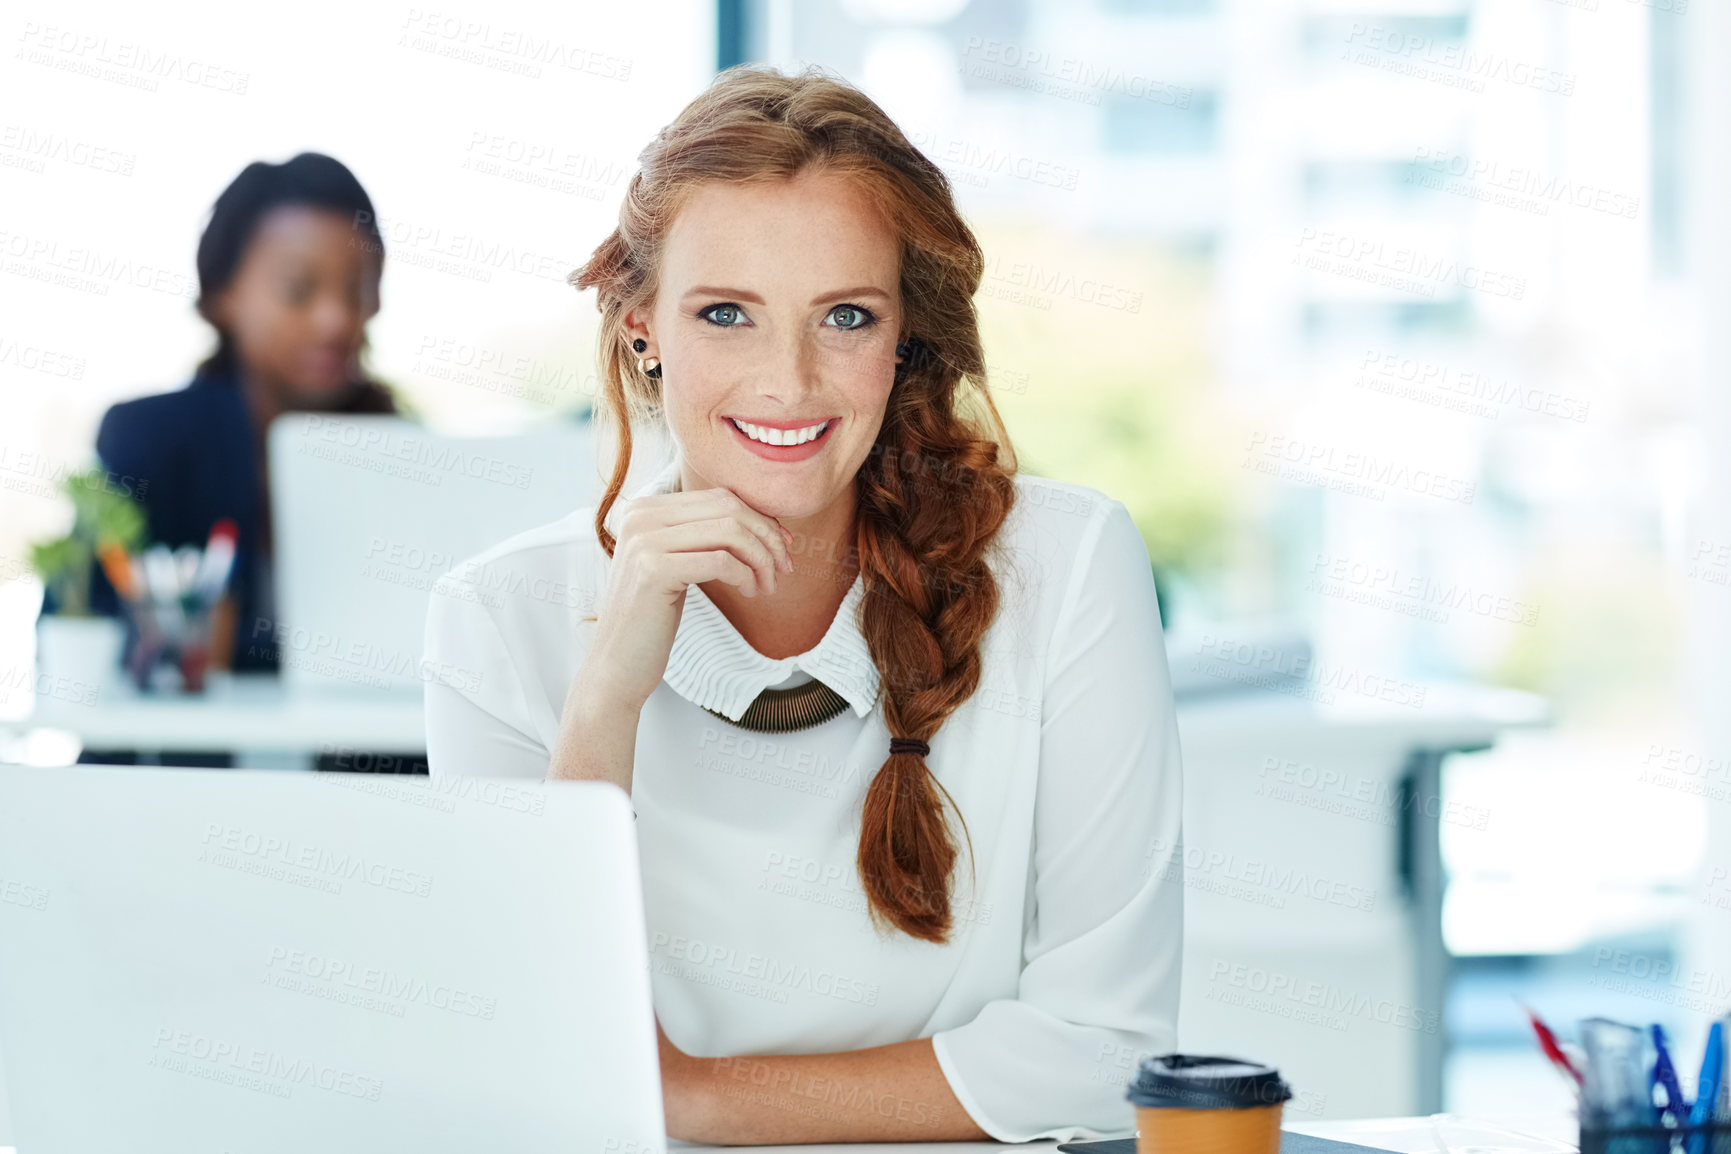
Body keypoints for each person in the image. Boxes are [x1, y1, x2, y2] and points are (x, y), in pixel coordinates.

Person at [422, 65, 1183, 1143]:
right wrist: (606, 699)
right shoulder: (498, 615)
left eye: (846, 316)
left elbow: (1108, 1055)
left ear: (903, 336)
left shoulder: (1065, 566)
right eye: (726, 312)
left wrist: (688, 1094)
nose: (787, 381)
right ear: (643, 327)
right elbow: (524, 1062)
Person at [88, 152, 397, 679]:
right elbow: (83, 635)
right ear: (220, 295)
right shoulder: (147, 440)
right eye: (298, 289)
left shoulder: (400, 452)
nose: (336, 319)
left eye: (359, 289)